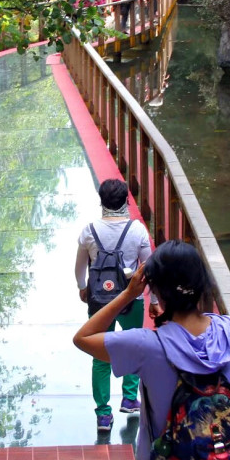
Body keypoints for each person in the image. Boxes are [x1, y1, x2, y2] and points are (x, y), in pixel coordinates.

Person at [74, 240, 230, 460]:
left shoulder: (147, 347)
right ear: (202, 284)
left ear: (157, 290)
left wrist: (129, 293)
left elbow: (83, 338)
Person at [74, 178, 159, 432]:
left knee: (99, 357)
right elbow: (149, 270)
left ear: (102, 201)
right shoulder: (137, 231)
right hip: (130, 300)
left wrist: (82, 287)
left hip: (99, 301)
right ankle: (130, 398)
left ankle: (102, 414)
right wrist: (153, 301)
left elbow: (80, 267)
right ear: (125, 201)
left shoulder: (89, 230)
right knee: (134, 344)